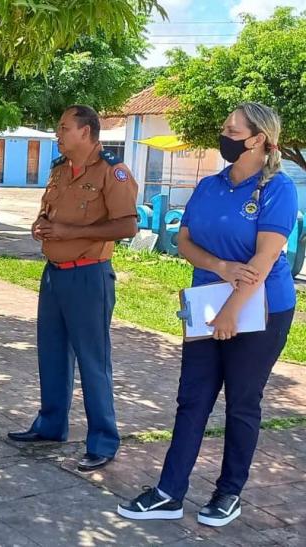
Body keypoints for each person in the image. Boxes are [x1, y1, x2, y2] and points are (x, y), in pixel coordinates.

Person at [118, 103, 296, 527]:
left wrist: (233, 311)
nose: (224, 134)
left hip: (262, 310)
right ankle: (169, 493)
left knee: (242, 403)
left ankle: (228, 493)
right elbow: (185, 241)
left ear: (257, 139)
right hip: (207, 304)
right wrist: (219, 269)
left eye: (232, 129)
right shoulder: (210, 185)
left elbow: (265, 258)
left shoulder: (278, 189)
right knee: (192, 398)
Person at [7, 105, 138, 472]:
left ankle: (103, 441)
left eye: (64, 128)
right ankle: (50, 425)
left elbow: (127, 226)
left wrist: (72, 233)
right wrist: (41, 224)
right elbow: (50, 213)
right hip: (55, 274)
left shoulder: (114, 172)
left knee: (92, 360)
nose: (58, 134)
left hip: (89, 276)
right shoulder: (59, 171)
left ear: (86, 132)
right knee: (51, 352)